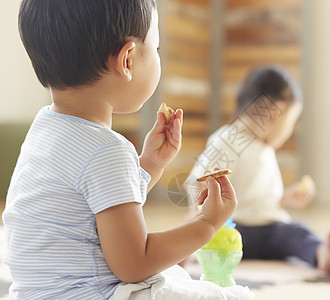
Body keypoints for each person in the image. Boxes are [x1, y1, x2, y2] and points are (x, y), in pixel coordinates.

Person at [2, 0, 254, 299]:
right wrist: (207, 224)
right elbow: (134, 264)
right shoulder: (107, 149)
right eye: (156, 49)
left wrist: (150, 163)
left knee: (173, 274)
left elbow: (99, 213)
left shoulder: (44, 130)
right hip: (90, 294)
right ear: (128, 61)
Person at [185, 66, 330, 274]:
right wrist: (198, 223)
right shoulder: (229, 140)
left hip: (271, 230)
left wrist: (286, 197)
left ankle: (321, 253)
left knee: (298, 232)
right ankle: (187, 250)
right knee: (213, 239)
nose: (289, 131)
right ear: (273, 111)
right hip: (236, 229)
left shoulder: (263, 146)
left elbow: (259, 198)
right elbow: (196, 180)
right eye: (291, 122)